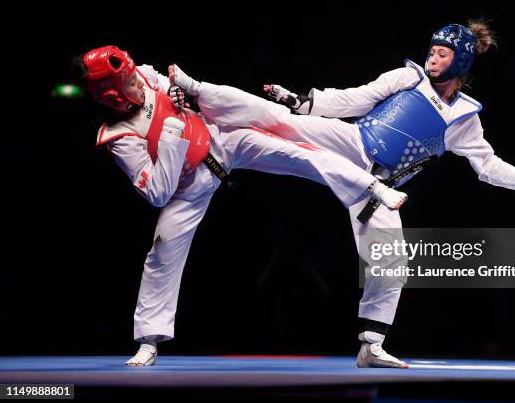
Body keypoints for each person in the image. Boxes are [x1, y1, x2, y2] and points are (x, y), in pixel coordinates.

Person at [168, 20, 515, 368]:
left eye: (441, 54)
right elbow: (356, 98)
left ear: (461, 61)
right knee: (282, 120)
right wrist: (305, 102)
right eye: (432, 51)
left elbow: (486, 164)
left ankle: (372, 345)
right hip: (351, 142)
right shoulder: (408, 78)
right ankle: (196, 91)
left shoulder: (464, 118)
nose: (432, 58)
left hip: (378, 185)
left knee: (393, 260)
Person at [75, 45, 409, 366]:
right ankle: (148, 341)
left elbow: (166, 87)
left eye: (135, 76)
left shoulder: (144, 76)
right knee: (162, 251)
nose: (140, 83)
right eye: (130, 83)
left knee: (300, 153)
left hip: (222, 140)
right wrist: (170, 137)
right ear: (111, 97)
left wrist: (177, 92)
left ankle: (373, 186)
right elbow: (158, 194)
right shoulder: (119, 137)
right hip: (189, 184)